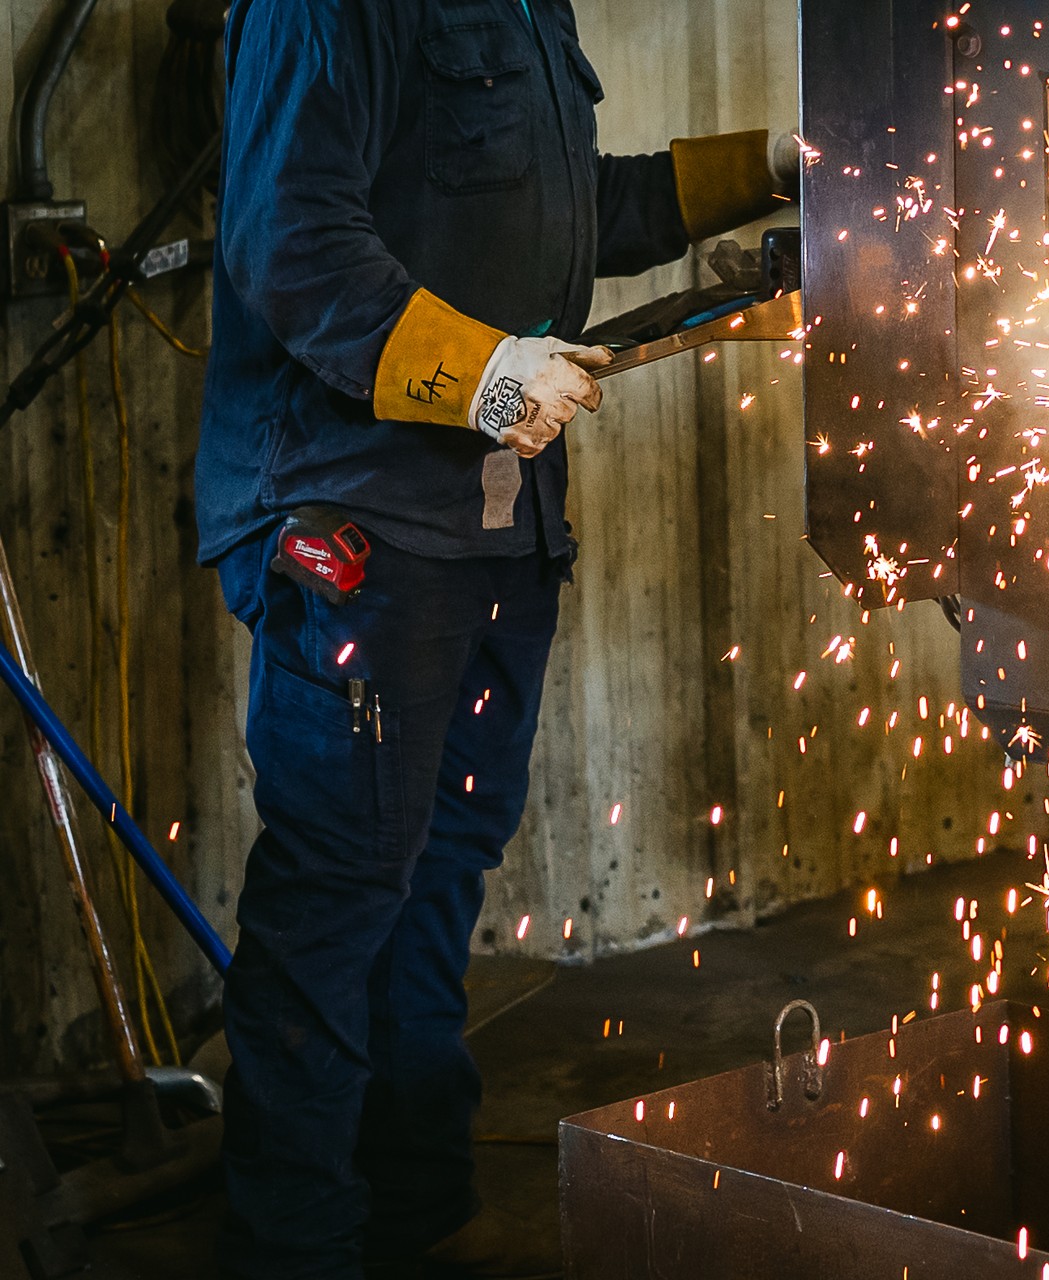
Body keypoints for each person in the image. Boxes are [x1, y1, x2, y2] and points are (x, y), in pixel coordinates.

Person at [195, 2, 798, 1276]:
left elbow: (572, 207)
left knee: (438, 868)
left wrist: (767, 168)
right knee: (341, 887)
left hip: (495, 522)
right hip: (361, 518)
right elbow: (291, 243)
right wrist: (480, 374)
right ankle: (295, 1243)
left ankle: (414, 1197)